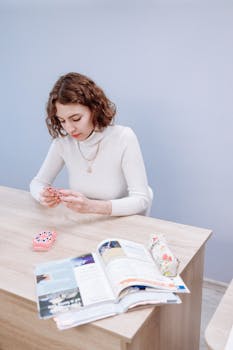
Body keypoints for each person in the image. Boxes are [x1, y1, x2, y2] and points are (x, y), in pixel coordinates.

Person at [30, 72, 152, 216]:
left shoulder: (123, 137)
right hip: (87, 222)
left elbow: (141, 199)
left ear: (94, 109)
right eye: (62, 121)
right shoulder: (63, 144)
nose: (69, 128)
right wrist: (43, 196)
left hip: (122, 222)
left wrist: (91, 206)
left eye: (76, 118)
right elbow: (37, 183)